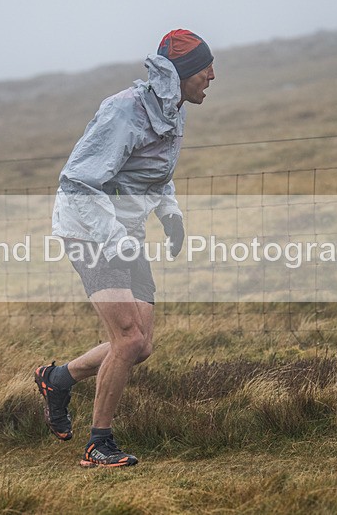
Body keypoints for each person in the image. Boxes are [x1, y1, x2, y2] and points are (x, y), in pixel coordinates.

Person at [35, 29, 215, 468]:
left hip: (124, 232)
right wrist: (115, 240)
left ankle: (57, 380)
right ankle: (99, 445)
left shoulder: (173, 109)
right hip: (89, 231)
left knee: (141, 344)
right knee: (128, 337)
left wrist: (170, 214)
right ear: (183, 75)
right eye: (205, 69)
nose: (213, 76)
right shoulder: (122, 111)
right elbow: (77, 182)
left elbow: (156, 172)